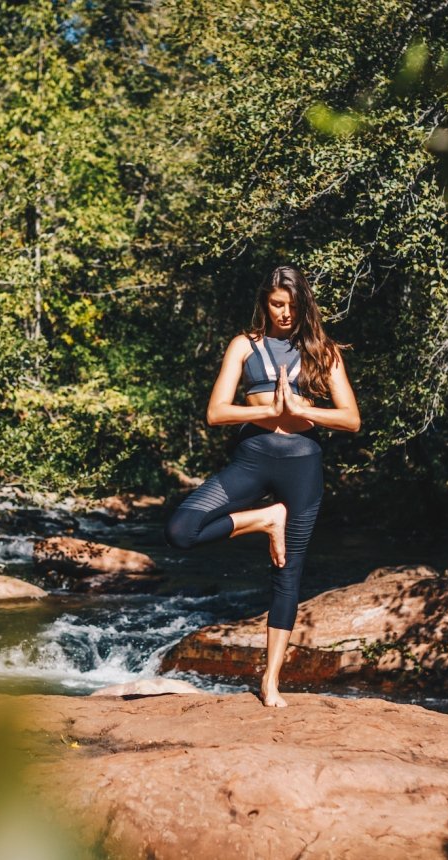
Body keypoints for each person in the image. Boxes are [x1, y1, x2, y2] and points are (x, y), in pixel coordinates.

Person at [165, 265, 360, 707]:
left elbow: (350, 418)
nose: (284, 313)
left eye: (292, 305)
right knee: (180, 531)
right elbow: (216, 412)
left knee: (287, 574)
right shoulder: (243, 345)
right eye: (276, 304)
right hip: (252, 459)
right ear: (264, 303)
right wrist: (267, 413)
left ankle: (270, 681)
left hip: (302, 465)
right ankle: (265, 518)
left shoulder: (323, 351)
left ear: (304, 304)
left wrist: (303, 409)